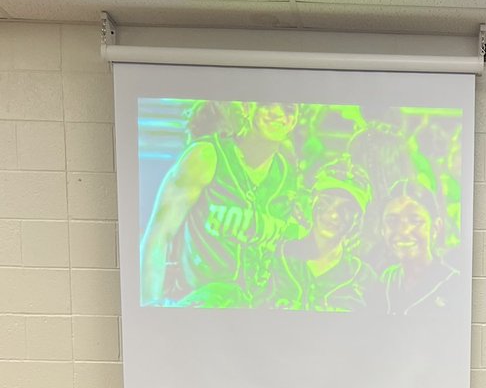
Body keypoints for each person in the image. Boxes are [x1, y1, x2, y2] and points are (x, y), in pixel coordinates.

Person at [140, 101, 300, 308]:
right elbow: (159, 235)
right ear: (246, 107)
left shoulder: (286, 171)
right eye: (266, 104)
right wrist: (150, 306)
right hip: (201, 311)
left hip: (258, 317)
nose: (278, 113)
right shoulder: (206, 155)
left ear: (294, 120)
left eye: (288, 109)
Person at [268, 158, 383, 313]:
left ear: (358, 218)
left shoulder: (363, 278)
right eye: (326, 201)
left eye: (346, 208)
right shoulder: (276, 257)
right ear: (311, 201)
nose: (333, 215)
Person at [380, 180, 460, 318]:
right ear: (382, 229)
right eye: (392, 221)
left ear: (435, 228)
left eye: (415, 221)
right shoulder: (386, 280)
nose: (403, 231)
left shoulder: (454, 284)